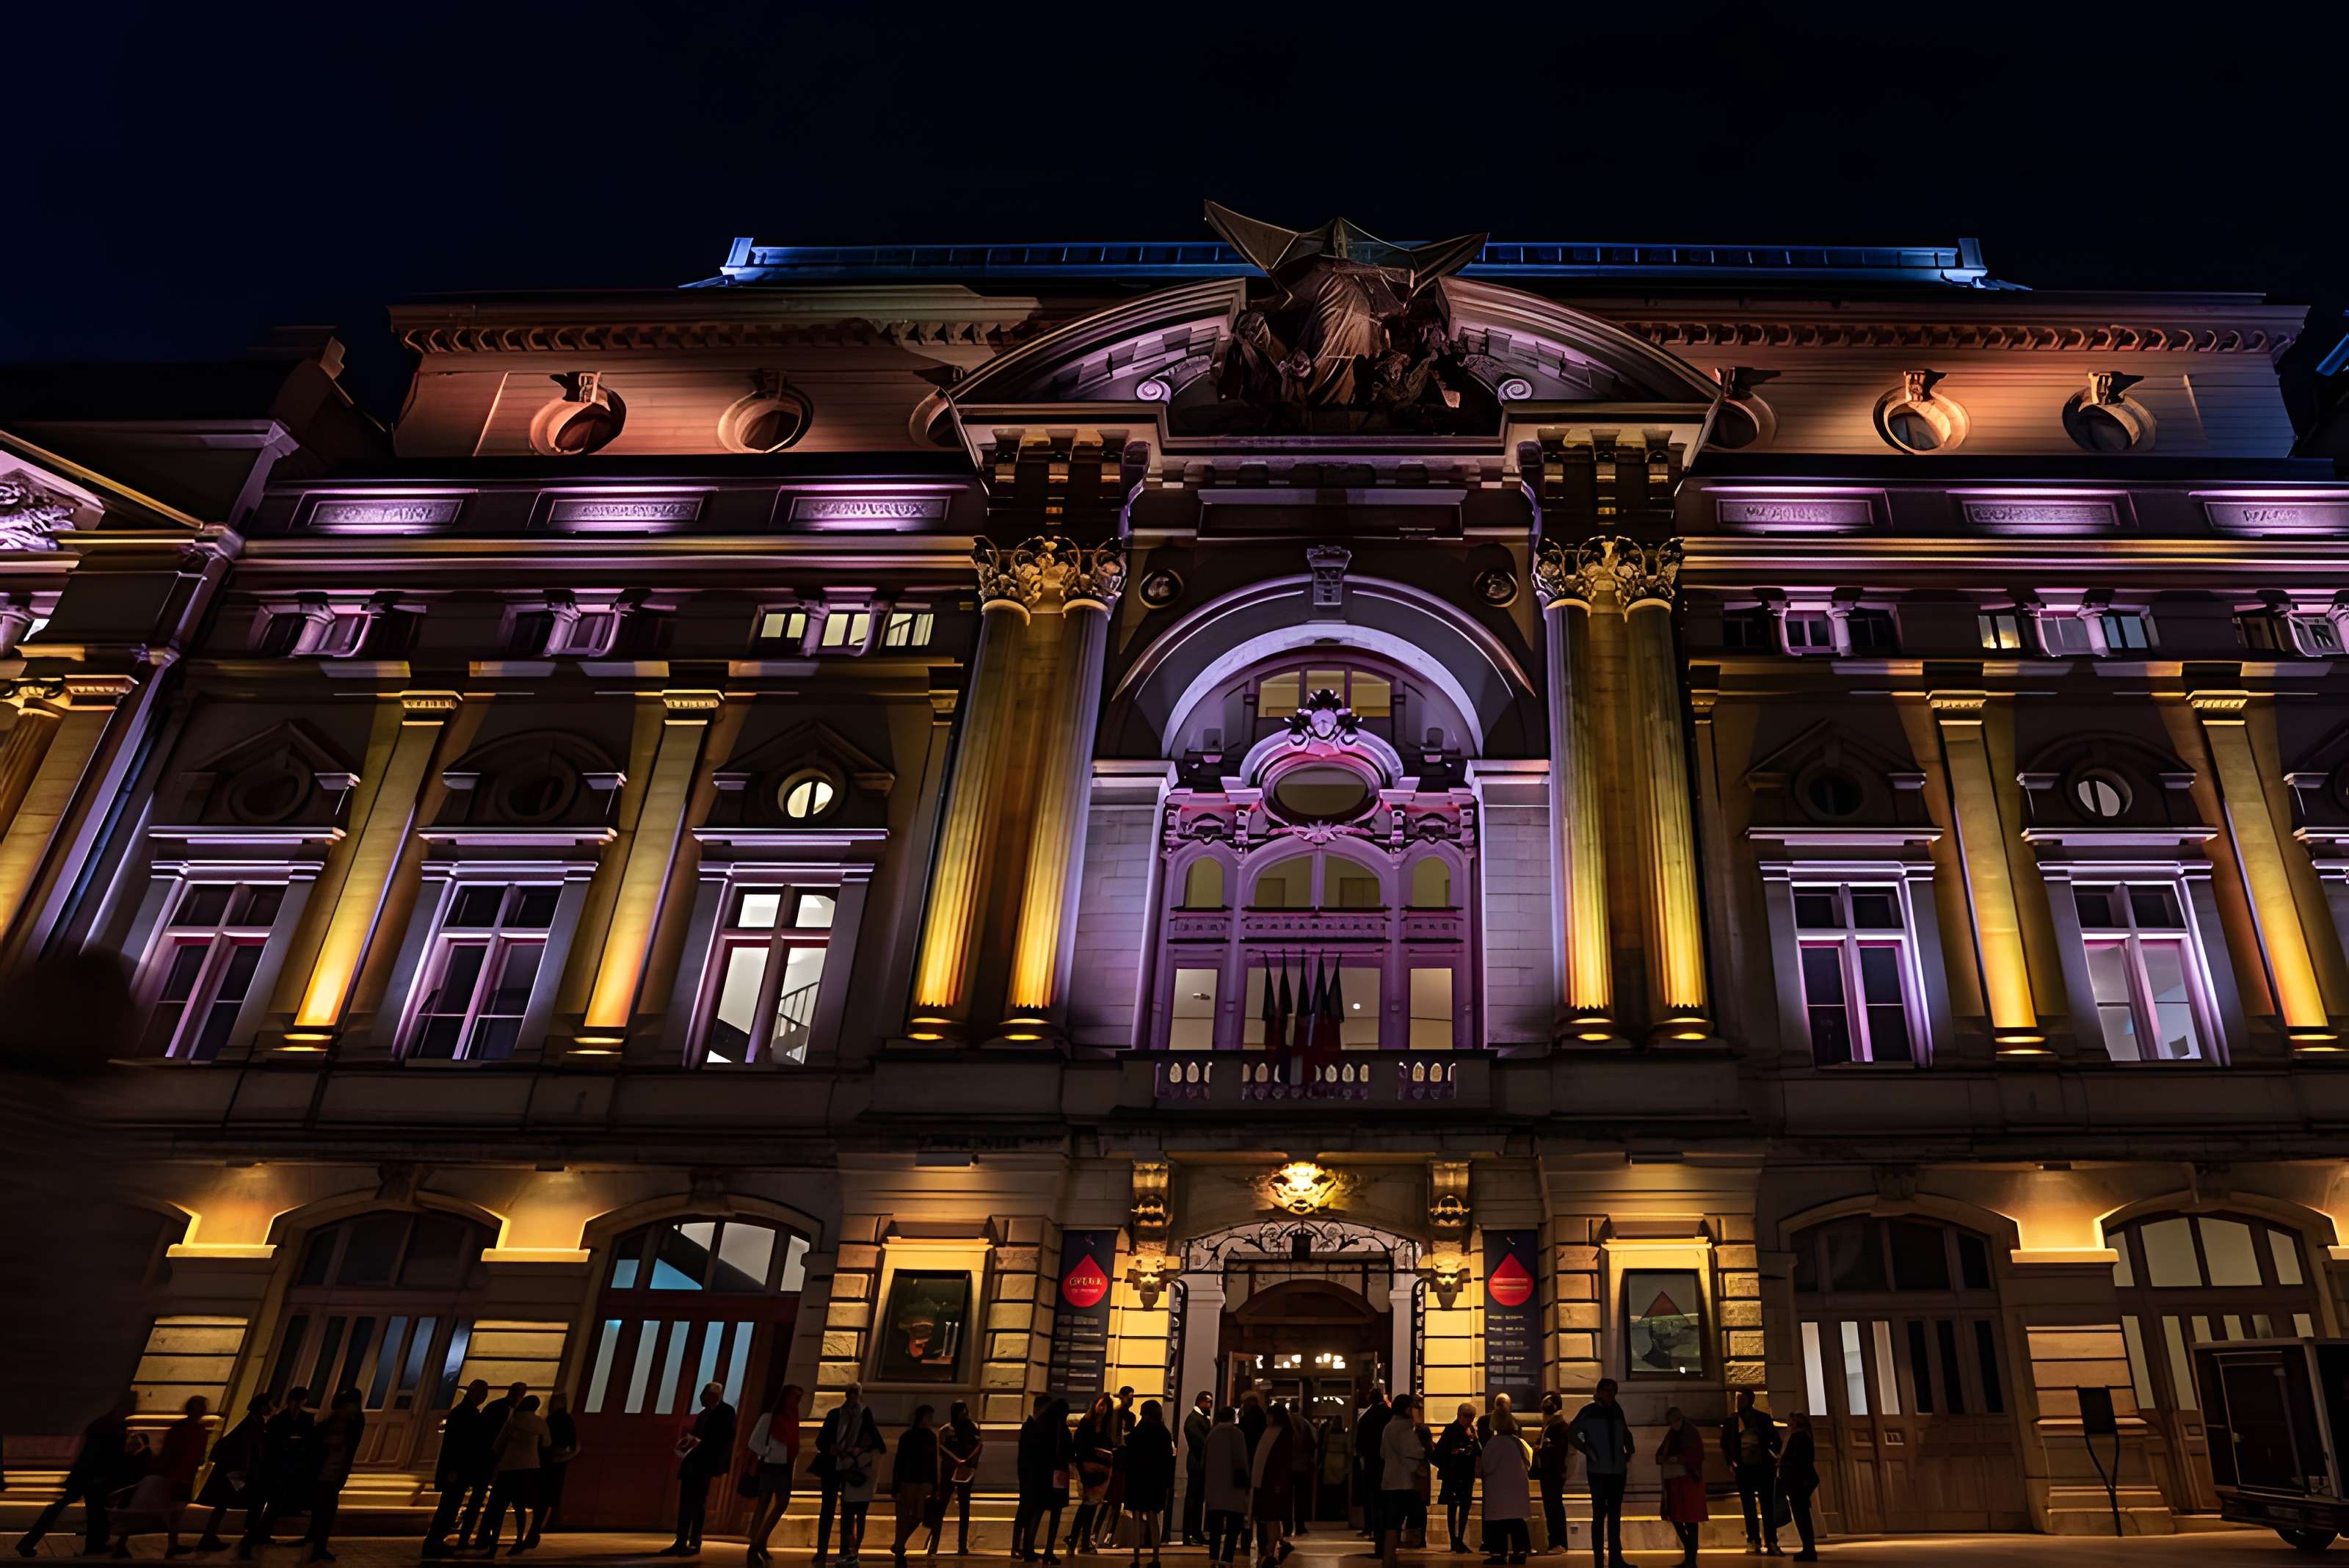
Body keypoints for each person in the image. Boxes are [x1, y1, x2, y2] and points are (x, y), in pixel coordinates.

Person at [16, 1392, 135, 1558]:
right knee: (95, 1513)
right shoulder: (111, 1427)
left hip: (85, 1474)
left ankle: (29, 1542)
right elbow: (105, 1455)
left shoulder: (104, 1424)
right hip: (93, 1477)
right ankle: (94, 1546)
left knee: (74, 1510)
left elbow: (91, 1452)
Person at [239, 1386, 319, 1560]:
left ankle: (261, 1533)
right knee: (265, 1501)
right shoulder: (278, 1419)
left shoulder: (303, 1418)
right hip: (275, 1465)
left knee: (275, 1502)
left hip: (290, 1465)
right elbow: (269, 1441)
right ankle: (252, 1537)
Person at [128, 1395, 208, 1559]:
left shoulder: (181, 1428)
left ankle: (171, 1544)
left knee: (165, 1511)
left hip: (175, 1475)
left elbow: (169, 1452)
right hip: (179, 1477)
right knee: (167, 1511)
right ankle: (171, 1545)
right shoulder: (198, 1431)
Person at [662, 1380, 738, 1556]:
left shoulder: (726, 1412)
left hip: (706, 1463)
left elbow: (726, 1437)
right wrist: (688, 1441)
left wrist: (702, 1443)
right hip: (694, 1462)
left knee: (697, 1502)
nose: (702, 1398)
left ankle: (694, 1540)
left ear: (715, 1396)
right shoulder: (704, 1414)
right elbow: (697, 1433)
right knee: (687, 1501)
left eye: (705, 1394)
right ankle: (681, 1540)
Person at [813, 1384, 885, 1568]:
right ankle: (822, 1551)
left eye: (856, 1394)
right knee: (828, 1509)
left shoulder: (864, 1415)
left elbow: (876, 1441)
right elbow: (821, 1440)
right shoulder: (835, 1415)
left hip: (852, 1468)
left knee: (849, 1512)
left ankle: (846, 1552)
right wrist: (833, 1449)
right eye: (850, 1394)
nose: (852, 1398)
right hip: (833, 1466)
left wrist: (857, 1451)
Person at [195, 1393, 273, 1553]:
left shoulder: (252, 1422)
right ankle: (211, 1538)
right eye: (268, 1405)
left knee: (222, 1505)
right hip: (235, 1472)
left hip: (233, 1470)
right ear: (261, 1407)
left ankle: (209, 1538)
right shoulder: (252, 1424)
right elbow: (246, 1449)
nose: (270, 1408)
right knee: (225, 1504)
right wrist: (244, 1471)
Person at [424, 1381, 493, 1558]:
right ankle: (434, 1543)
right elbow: (457, 1445)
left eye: (485, 1393)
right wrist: (453, 1470)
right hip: (457, 1470)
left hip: (460, 1469)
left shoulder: (466, 1412)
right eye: (481, 1393)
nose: (483, 1397)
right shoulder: (463, 1413)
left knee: (450, 1507)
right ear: (472, 1393)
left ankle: (436, 1542)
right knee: (448, 1507)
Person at [1566, 1381, 1630, 1568]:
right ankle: (1599, 1560)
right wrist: (1588, 1450)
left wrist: (1629, 1450)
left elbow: (1624, 1431)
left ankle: (1616, 1559)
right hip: (1599, 1471)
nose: (1611, 1395)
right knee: (1599, 1514)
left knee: (1615, 1515)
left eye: (1613, 1391)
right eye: (1607, 1391)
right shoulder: (1590, 1411)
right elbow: (1572, 1433)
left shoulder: (1617, 1410)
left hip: (1617, 1470)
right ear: (1599, 1392)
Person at [1719, 1390, 1783, 1557]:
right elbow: (1724, 1444)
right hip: (1743, 1469)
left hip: (1763, 1468)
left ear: (1749, 1401)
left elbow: (1776, 1441)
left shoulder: (1762, 1419)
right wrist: (1731, 1462)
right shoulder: (1731, 1421)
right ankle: (1753, 1540)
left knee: (1767, 1506)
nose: (1738, 1402)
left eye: (1741, 1399)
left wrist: (1773, 1457)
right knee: (1748, 1507)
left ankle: (1771, 1541)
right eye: (1737, 1399)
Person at [482, 1391, 547, 1554]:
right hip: (529, 1469)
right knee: (520, 1507)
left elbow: (499, 1443)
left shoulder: (514, 1419)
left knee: (500, 1507)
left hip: (508, 1467)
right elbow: (548, 1443)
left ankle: (493, 1543)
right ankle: (519, 1540)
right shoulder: (540, 1422)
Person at [745, 1384, 804, 1564]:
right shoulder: (769, 1418)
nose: (797, 1402)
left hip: (785, 1465)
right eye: (795, 1397)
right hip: (772, 1465)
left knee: (781, 1504)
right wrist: (769, 1452)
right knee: (767, 1503)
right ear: (785, 1398)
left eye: (799, 1398)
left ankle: (760, 1542)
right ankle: (755, 1545)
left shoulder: (793, 1418)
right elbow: (754, 1442)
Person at [305, 1388, 366, 1563]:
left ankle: (318, 1545)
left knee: (326, 1511)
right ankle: (315, 1543)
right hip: (325, 1472)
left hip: (334, 1474)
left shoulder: (353, 1423)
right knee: (322, 1509)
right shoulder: (332, 1423)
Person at [1012, 1396, 1070, 1565]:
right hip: (1058, 1475)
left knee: (1037, 1512)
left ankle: (1028, 1548)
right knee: (1055, 1513)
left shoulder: (1040, 1427)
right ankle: (1048, 1551)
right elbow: (1067, 1452)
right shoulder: (1061, 1429)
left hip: (1041, 1477)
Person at [1474, 1409, 1532, 1566]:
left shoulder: (1494, 1443)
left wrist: (1478, 1470)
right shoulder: (1516, 1442)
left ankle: (1498, 1553)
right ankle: (1520, 1551)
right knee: (1516, 1522)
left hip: (1498, 1490)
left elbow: (1487, 1467)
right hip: (1516, 1489)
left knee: (1498, 1524)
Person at [1120, 1401, 1174, 1568]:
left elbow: (1127, 1457)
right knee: (1154, 1518)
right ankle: (1156, 1557)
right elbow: (1168, 1461)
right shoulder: (1164, 1433)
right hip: (1156, 1482)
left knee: (1137, 1518)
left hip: (1137, 1481)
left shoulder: (1137, 1433)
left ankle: (1136, 1558)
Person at [1375, 1393, 1424, 1568]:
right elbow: (1416, 1451)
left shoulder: (1389, 1427)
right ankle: (1394, 1556)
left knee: (1391, 1522)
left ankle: (1388, 1557)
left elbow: (1382, 1453)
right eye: (1415, 1407)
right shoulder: (1403, 1428)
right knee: (1405, 1518)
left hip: (1389, 1481)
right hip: (1403, 1482)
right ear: (1407, 1409)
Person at [928, 1401, 982, 1558]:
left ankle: (962, 1546)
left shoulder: (973, 1427)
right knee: (941, 1507)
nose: (963, 1415)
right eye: (960, 1412)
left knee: (965, 1509)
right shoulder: (946, 1429)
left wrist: (968, 1462)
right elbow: (942, 1448)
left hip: (965, 1471)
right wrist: (957, 1460)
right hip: (949, 1471)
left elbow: (979, 1445)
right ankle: (934, 1546)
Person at [835, 1401, 885, 1568]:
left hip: (854, 1486)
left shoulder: (854, 1437)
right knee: (858, 1519)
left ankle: (850, 1549)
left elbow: (846, 1463)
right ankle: (853, 1549)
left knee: (849, 1519)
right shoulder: (874, 1443)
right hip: (861, 1487)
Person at [888, 1405, 940, 1567]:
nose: (930, 1420)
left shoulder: (931, 1437)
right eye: (928, 1417)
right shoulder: (908, 1436)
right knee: (904, 1517)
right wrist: (895, 1486)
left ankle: (899, 1543)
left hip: (923, 1481)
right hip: (908, 1481)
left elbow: (933, 1462)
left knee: (919, 1516)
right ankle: (900, 1545)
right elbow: (900, 1462)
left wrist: (934, 1484)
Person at [1657, 1408, 1707, 1568]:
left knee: (1689, 1520)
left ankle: (1691, 1557)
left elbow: (1696, 1455)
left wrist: (1675, 1458)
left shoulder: (1689, 1433)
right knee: (1678, 1517)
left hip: (1688, 1480)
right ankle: (1690, 1554)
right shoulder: (1674, 1433)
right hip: (1677, 1480)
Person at [528, 1391, 578, 1550]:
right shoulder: (566, 1420)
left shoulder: (552, 1420)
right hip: (555, 1465)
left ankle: (534, 1531)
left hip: (547, 1463)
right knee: (546, 1500)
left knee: (541, 1500)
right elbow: (574, 1444)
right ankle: (535, 1531)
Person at [1199, 1407, 1248, 1568]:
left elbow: (1204, 1461)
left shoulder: (1212, 1434)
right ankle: (1227, 1558)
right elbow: (1242, 1460)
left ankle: (1213, 1556)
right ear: (1233, 1418)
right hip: (1234, 1486)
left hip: (1214, 1486)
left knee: (1215, 1526)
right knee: (1234, 1526)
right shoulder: (1237, 1434)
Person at [1068, 1394, 1117, 1555]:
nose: (1102, 1408)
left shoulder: (1107, 1426)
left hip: (1101, 1471)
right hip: (1088, 1469)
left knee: (1090, 1507)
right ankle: (1076, 1540)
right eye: (1100, 1405)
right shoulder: (1087, 1423)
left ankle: (1080, 1541)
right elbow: (1080, 1446)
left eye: (1105, 1406)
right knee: (1087, 1506)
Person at [1432, 1403, 1481, 1555]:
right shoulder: (1451, 1430)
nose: (1469, 1420)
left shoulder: (1471, 1431)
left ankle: (1460, 1539)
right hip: (1453, 1475)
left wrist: (1472, 1442)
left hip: (1466, 1475)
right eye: (1467, 1417)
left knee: (1465, 1507)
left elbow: (1478, 1451)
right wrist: (1454, 1456)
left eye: (1472, 1418)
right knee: (1452, 1507)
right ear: (1460, 1415)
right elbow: (1439, 1453)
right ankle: (1454, 1540)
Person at [1250, 1401, 1293, 1567]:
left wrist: (1279, 1483)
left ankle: (1270, 1551)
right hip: (1268, 1482)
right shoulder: (1276, 1432)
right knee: (1270, 1518)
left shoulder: (1278, 1434)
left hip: (1271, 1483)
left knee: (1272, 1518)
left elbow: (1282, 1461)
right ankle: (1272, 1548)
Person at [1779, 1412, 1820, 1563]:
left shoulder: (1797, 1438)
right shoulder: (1806, 1437)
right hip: (1803, 1480)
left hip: (1798, 1481)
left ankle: (1809, 1549)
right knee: (1803, 1514)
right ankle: (1809, 1548)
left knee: (1801, 1515)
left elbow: (1794, 1461)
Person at [1534, 1395, 1572, 1558]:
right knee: (1551, 1508)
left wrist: (1542, 1450)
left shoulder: (1560, 1426)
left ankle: (1559, 1543)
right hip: (1547, 1472)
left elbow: (1559, 1450)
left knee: (1555, 1507)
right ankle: (1554, 1541)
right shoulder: (1550, 1424)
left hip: (1554, 1472)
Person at [1351, 1389, 1390, 1539]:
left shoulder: (1366, 1417)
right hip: (1386, 1461)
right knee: (1384, 1498)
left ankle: (1370, 1526)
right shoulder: (1389, 1414)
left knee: (1370, 1496)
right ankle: (1383, 1529)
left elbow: (1360, 1442)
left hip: (1370, 1461)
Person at [1180, 1395, 1213, 1547]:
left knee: (1197, 1500)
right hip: (1197, 1464)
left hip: (1199, 1464)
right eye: (1208, 1402)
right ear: (1199, 1401)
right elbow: (1200, 1443)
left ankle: (1194, 1532)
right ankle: (1190, 1533)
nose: (1210, 1405)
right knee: (1194, 1500)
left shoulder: (1196, 1419)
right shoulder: (1194, 1420)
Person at [1284, 1404, 1315, 1535]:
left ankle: (1287, 1527)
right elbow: (1313, 1443)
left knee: (1286, 1498)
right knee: (1301, 1498)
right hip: (1302, 1466)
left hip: (1287, 1466)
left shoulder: (1285, 1422)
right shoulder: (1305, 1423)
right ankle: (1300, 1525)